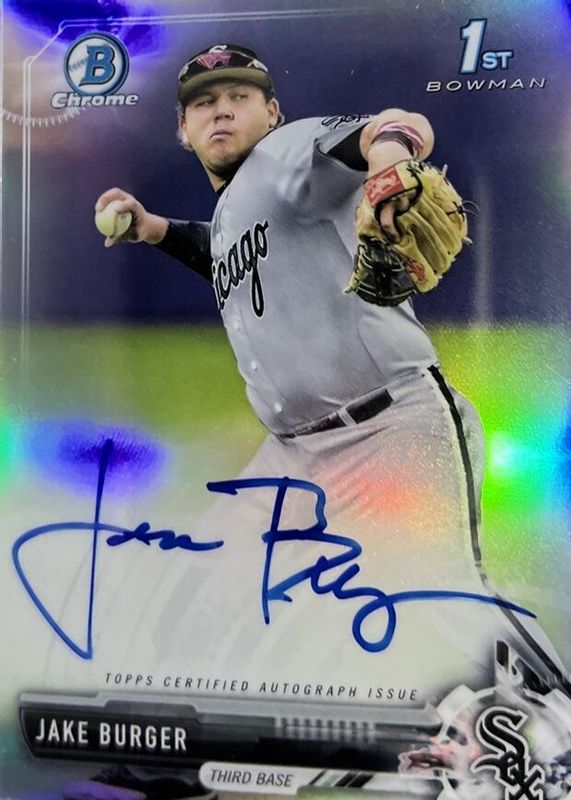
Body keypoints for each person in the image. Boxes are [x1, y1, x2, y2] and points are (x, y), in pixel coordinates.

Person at [80, 43, 568, 800]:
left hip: (390, 430)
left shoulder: (289, 153)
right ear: (183, 129)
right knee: (210, 584)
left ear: (271, 112)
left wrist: (390, 159)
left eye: (239, 97)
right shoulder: (244, 204)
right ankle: (185, 762)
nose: (221, 111)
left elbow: (391, 125)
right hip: (294, 455)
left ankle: (559, 738)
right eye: (204, 103)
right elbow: (225, 250)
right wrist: (153, 229)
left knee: (441, 600)